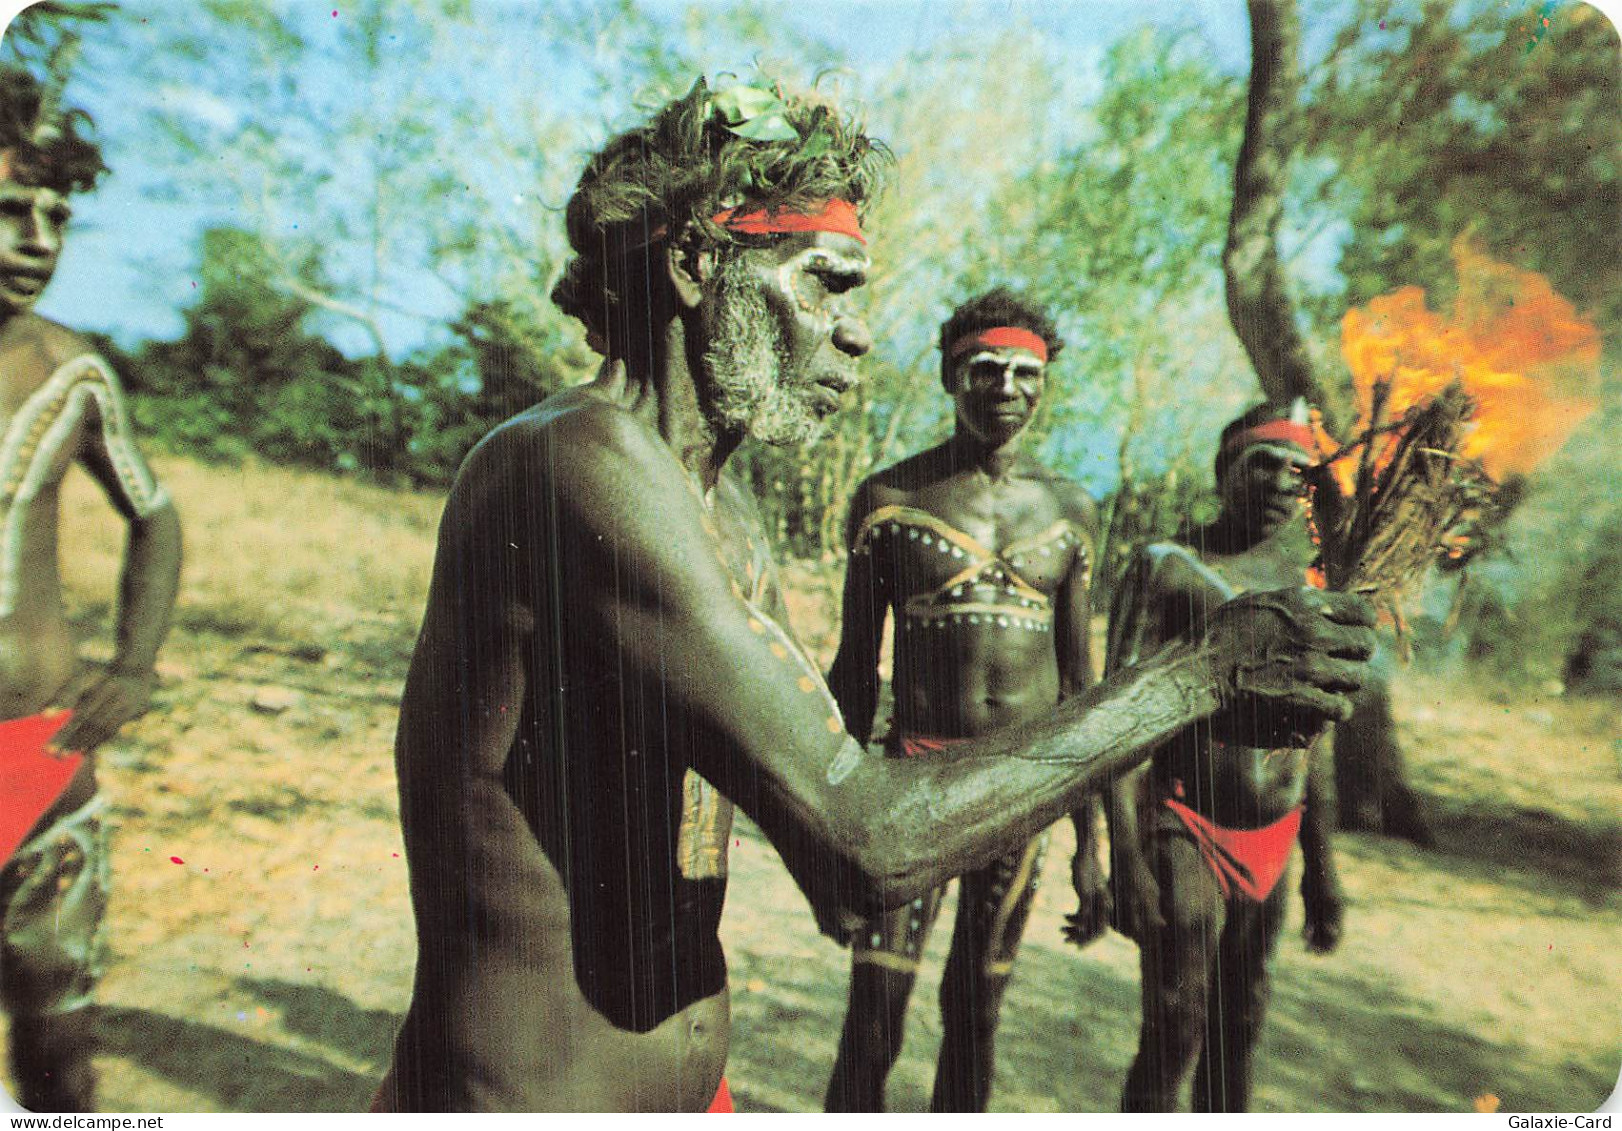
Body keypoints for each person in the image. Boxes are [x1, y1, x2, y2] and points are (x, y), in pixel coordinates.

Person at [374, 78, 1376, 1112]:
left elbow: (791, 815)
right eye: (824, 284)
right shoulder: (573, 464)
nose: (854, 334)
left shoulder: (720, 510)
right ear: (690, 268)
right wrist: (1195, 675)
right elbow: (865, 843)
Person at [821, 288, 1106, 1112]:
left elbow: (1081, 689)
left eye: (1025, 373)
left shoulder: (1071, 512)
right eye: (985, 370)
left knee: (976, 1012)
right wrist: (833, 824)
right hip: (912, 786)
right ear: (951, 378)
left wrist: (1092, 845)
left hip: (1021, 797)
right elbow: (852, 671)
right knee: (875, 1015)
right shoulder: (890, 502)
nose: (1006, 389)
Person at [0, 67, 182, 1111]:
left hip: (40, 765)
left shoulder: (74, 374)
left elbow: (154, 515)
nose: (38, 238)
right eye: (10, 210)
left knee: (59, 1042)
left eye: (56, 214)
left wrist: (138, 661)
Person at [1106, 402, 1344, 1112]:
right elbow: (1113, 725)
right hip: (1186, 820)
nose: (1278, 481)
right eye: (1260, 463)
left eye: (1295, 469)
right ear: (1225, 471)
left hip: (1275, 834)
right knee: (1176, 1021)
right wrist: (1123, 853)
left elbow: (1315, 742)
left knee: (1242, 1022)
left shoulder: (1316, 587)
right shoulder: (1170, 567)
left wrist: (1322, 871)